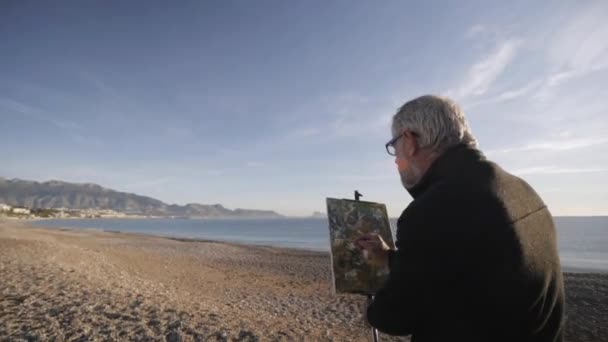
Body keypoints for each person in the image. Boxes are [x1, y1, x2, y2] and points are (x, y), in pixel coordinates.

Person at [356, 95, 565, 342]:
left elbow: (395, 317)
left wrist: (372, 312)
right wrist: (389, 256)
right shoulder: (522, 191)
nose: (396, 160)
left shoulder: (431, 211)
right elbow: (462, 266)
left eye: (394, 147)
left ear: (409, 141)